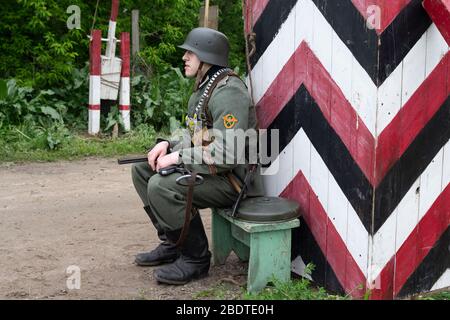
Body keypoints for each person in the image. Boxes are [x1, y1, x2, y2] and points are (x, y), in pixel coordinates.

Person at [131, 27, 264, 285]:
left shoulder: (228, 91)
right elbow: (199, 136)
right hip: (213, 170)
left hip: (232, 181)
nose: (184, 57)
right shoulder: (205, 87)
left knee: (162, 185)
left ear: (208, 57)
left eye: (191, 53)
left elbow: (227, 154)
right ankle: (173, 243)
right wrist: (167, 145)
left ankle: (196, 258)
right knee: (142, 171)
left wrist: (179, 157)